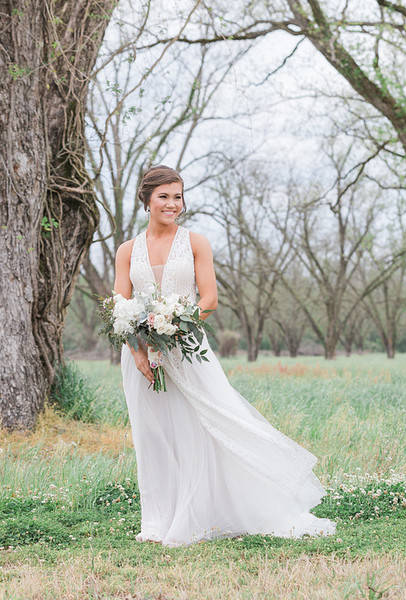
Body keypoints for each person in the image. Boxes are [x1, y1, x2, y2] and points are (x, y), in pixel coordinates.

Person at [113, 164, 336, 546]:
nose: (173, 203)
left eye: (178, 196)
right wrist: (138, 350)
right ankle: (156, 521)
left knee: (212, 423)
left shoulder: (196, 243)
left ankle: (207, 510)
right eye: (164, 196)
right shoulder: (127, 250)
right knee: (154, 436)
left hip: (187, 349)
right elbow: (120, 303)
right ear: (146, 200)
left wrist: (173, 327)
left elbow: (210, 299)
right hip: (141, 356)